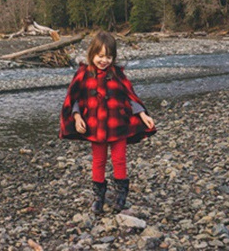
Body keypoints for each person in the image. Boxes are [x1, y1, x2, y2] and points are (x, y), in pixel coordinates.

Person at [59, 31, 156, 214]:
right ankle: (98, 197)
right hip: (95, 126)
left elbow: (130, 97)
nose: (104, 60)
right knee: (98, 161)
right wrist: (77, 117)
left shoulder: (117, 74)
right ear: (92, 54)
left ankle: (121, 194)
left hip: (117, 124)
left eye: (108, 56)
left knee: (119, 159)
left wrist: (143, 115)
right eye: (100, 56)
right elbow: (75, 99)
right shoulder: (83, 74)